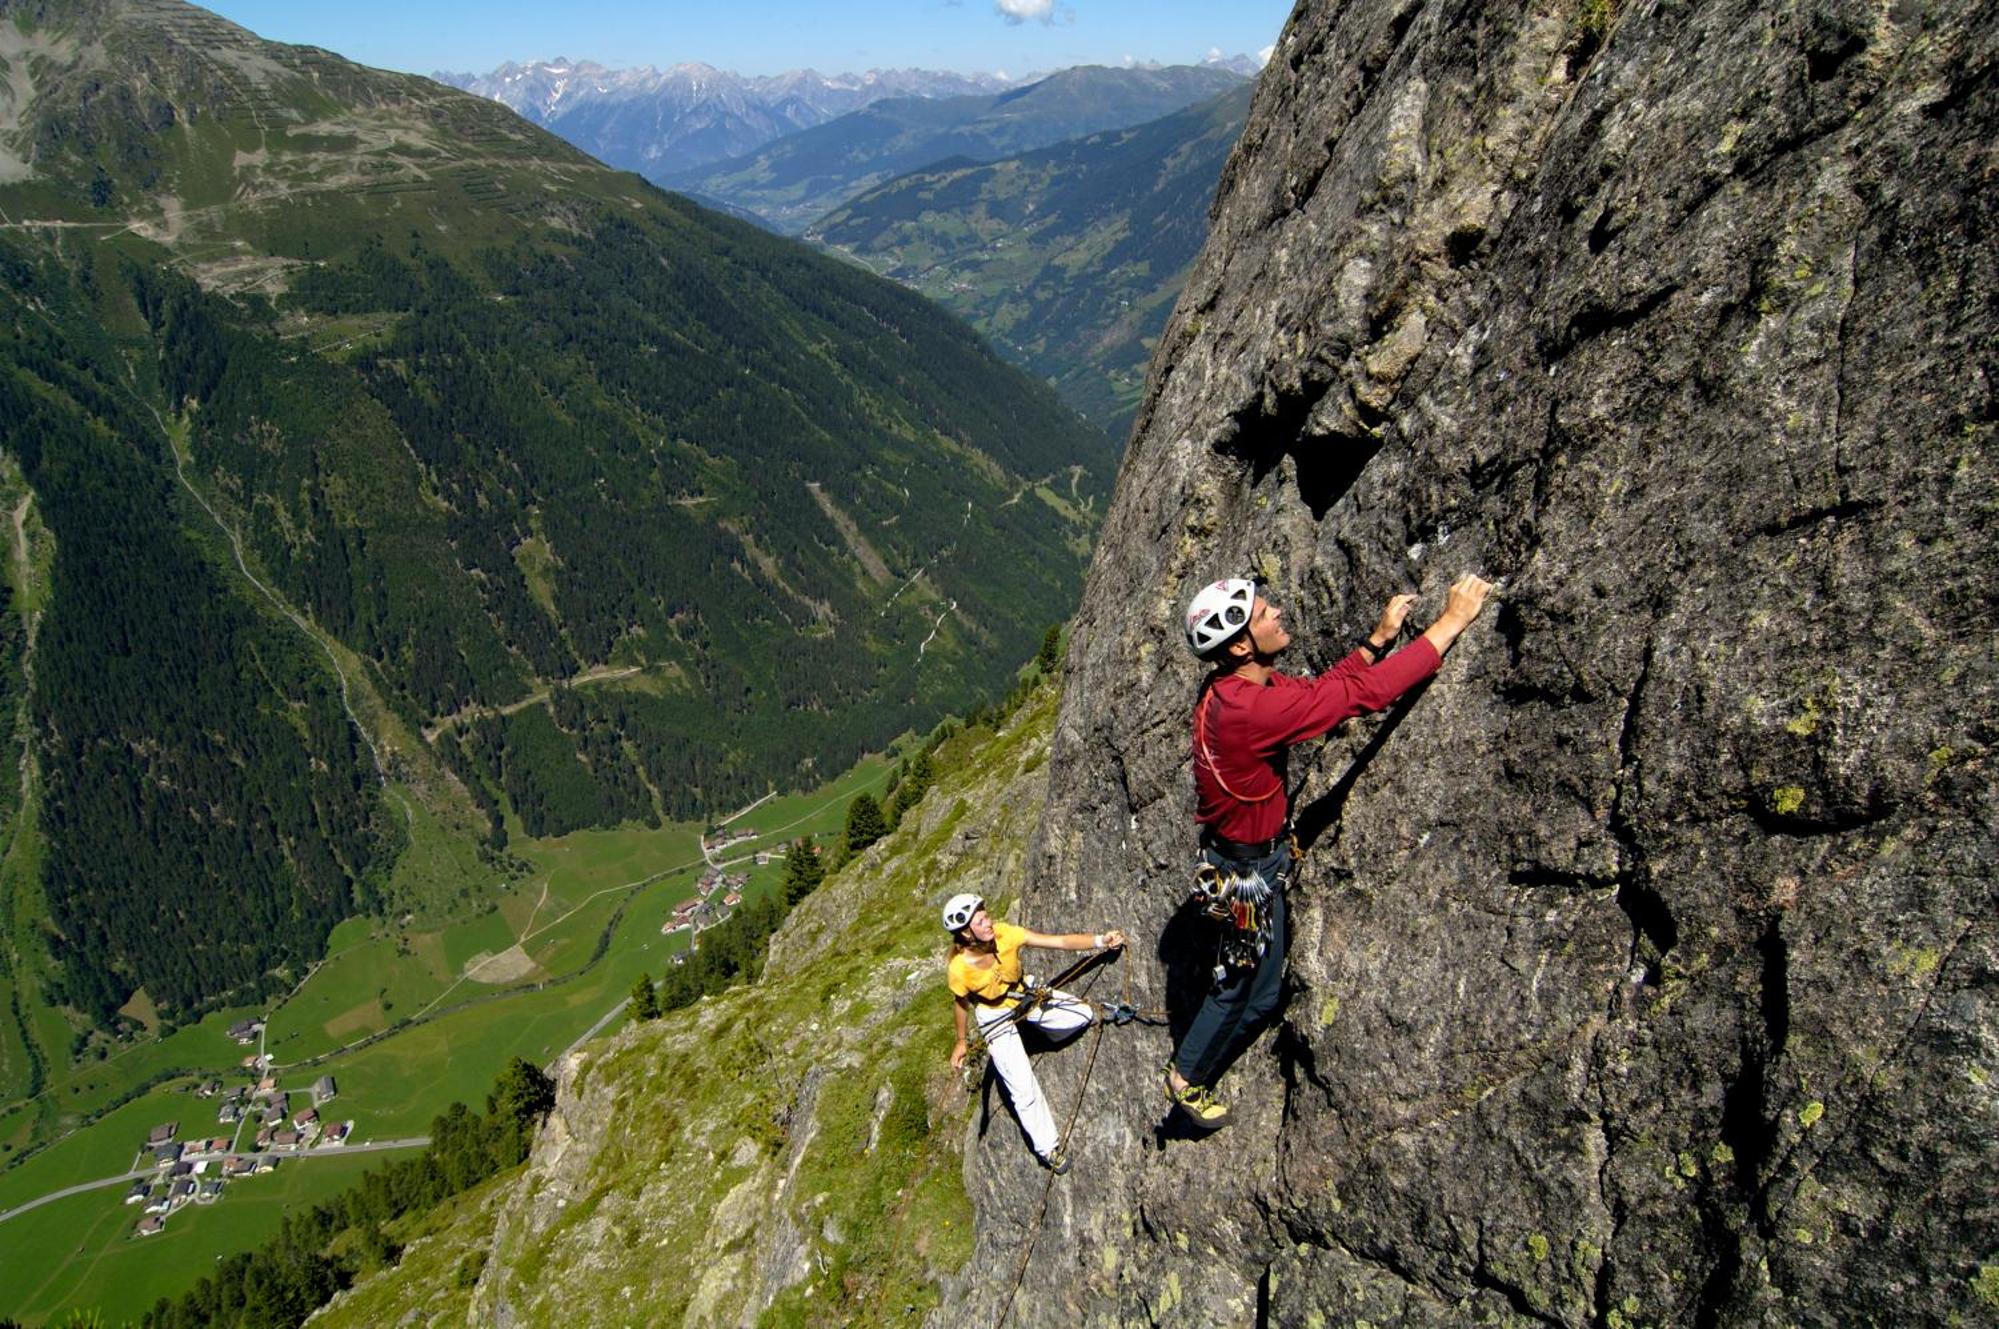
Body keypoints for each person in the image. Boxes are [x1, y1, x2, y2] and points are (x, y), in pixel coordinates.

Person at [1165, 572, 1491, 1127]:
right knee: (1238, 988)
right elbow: (1364, 697)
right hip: (1246, 876)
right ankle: (1185, 1077)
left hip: (1244, 861)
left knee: (1263, 996)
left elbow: (1317, 695)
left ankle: (1211, 1051)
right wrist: (1451, 622)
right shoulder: (1252, 711)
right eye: (1264, 614)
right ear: (1240, 646)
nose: (1277, 613)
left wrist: (1376, 641)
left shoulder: (1236, 689)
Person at [943, 892, 1125, 1172]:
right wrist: (960, 1041)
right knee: (1022, 1086)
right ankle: (1048, 1148)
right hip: (994, 1015)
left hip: (1023, 995)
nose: (988, 922)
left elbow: (1058, 942)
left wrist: (1101, 940)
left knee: (1084, 1015)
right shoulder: (959, 968)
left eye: (985, 916)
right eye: (980, 921)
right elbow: (961, 1003)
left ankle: (1036, 1032)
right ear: (967, 934)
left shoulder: (1005, 934)